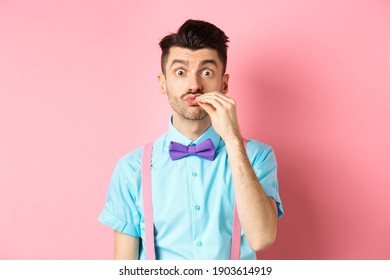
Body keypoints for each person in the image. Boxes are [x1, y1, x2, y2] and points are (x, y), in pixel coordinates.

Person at [98, 19, 284, 260]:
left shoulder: (258, 157)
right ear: (163, 83)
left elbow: (262, 238)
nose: (195, 85)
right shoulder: (130, 169)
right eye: (180, 72)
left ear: (223, 83)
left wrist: (233, 140)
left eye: (206, 72)